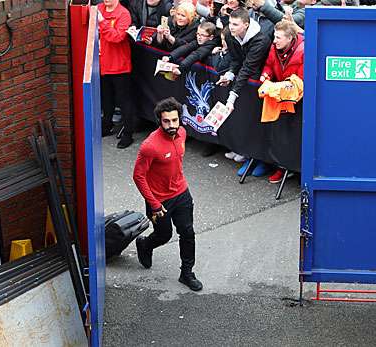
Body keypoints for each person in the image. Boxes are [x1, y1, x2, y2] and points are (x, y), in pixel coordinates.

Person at [133, 97, 203, 291]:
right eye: (166, 121)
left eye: (174, 120)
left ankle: (187, 273)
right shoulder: (149, 146)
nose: (171, 125)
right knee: (164, 235)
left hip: (181, 193)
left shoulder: (182, 133)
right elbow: (138, 176)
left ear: (179, 119)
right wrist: (154, 204)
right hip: (159, 201)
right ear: (159, 121)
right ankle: (145, 245)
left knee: (187, 232)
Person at [216, 8, 271, 173]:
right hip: (244, 83)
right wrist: (230, 74)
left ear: (246, 25)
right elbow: (236, 60)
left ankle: (261, 161)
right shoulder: (231, 36)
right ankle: (247, 155)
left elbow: (248, 68)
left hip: (261, 84)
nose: (231, 27)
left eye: (235, 24)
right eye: (230, 23)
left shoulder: (260, 40)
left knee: (259, 124)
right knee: (246, 121)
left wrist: (231, 97)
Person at [259, 20, 304, 183]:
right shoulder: (274, 48)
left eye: (278, 37)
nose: (274, 41)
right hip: (278, 96)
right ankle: (281, 166)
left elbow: (301, 79)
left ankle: (297, 170)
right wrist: (265, 76)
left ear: (290, 38)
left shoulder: (303, 50)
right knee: (280, 136)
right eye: (274, 36)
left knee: (295, 136)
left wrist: (281, 87)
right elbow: (269, 65)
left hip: (297, 100)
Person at [99, 0, 137, 148]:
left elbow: (117, 37)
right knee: (106, 99)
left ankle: (128, 134)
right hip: (103, 64)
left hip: (119, 65)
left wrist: (102, 22)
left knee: (124, 101)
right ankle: (106, 126)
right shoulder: (99, 8)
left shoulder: (123, 14)